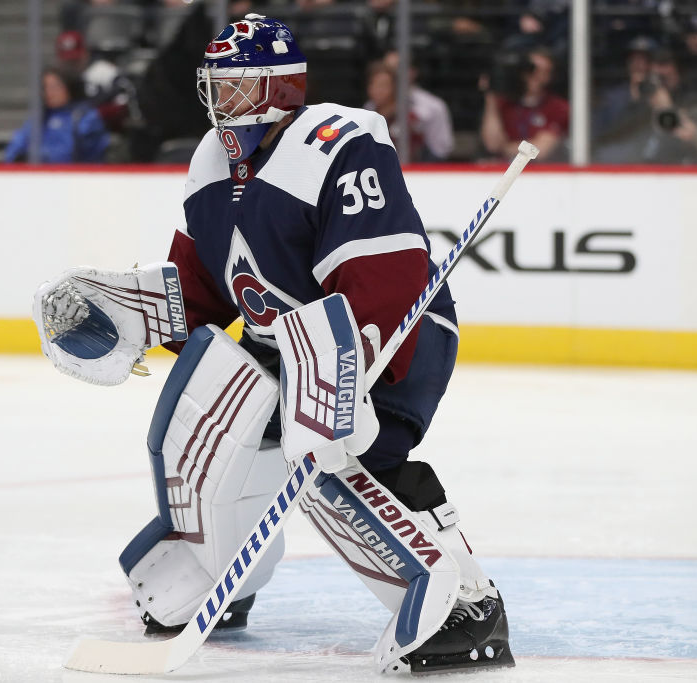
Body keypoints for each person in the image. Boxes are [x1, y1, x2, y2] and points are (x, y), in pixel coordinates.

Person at [118, 13, 512, 674]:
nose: (219, 102)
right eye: (214, 85)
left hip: (393, 336)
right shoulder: (212, 161)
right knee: (202, 424)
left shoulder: (339, 142)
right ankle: (217, 570)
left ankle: (464, 599)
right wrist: (129, 315)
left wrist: (335, 386)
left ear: (279, 89)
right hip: (288, 343)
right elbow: (204, 296)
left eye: (235, 87)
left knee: (348, 459)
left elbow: (384, 278)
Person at [480, 47, 569, 162]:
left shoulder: (558, 107)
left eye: (544, 71)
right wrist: (490, 98)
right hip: (507, 170)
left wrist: (503, 148)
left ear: (551, 76)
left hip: (545, 173)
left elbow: (539, 150)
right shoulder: (504, 103)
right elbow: (492, 145)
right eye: (531, 69)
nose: (536, 75)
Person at [4, 66, 109, 163]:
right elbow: (15, 149)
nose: (49, 93)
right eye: (45, 87)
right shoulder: (39, 118)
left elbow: (73, 153)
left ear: (68, 87)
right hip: (39, 178)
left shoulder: (85, 117)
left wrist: (38, 157)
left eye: (54, 87)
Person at [363, 60, 454, 162]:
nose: (377, 90)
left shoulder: (411, 117)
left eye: (383, 85)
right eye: (373, 85)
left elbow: (430, 152)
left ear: (394, 88)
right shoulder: (366, 114)